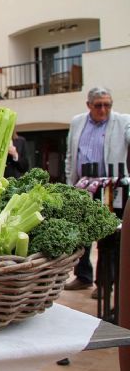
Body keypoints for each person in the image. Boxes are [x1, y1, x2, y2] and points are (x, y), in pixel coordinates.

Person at [64, 87, 130, 294]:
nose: (103, 109)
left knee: (108, 236)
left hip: (111, 189)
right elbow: (70, 154)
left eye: (107, 105)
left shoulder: (122, 121)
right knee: (81, 234)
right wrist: (69, 182)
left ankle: (104, 283)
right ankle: (83, 276)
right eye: (98, 105)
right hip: (83, 186)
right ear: (88, 105)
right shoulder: (77, 122)